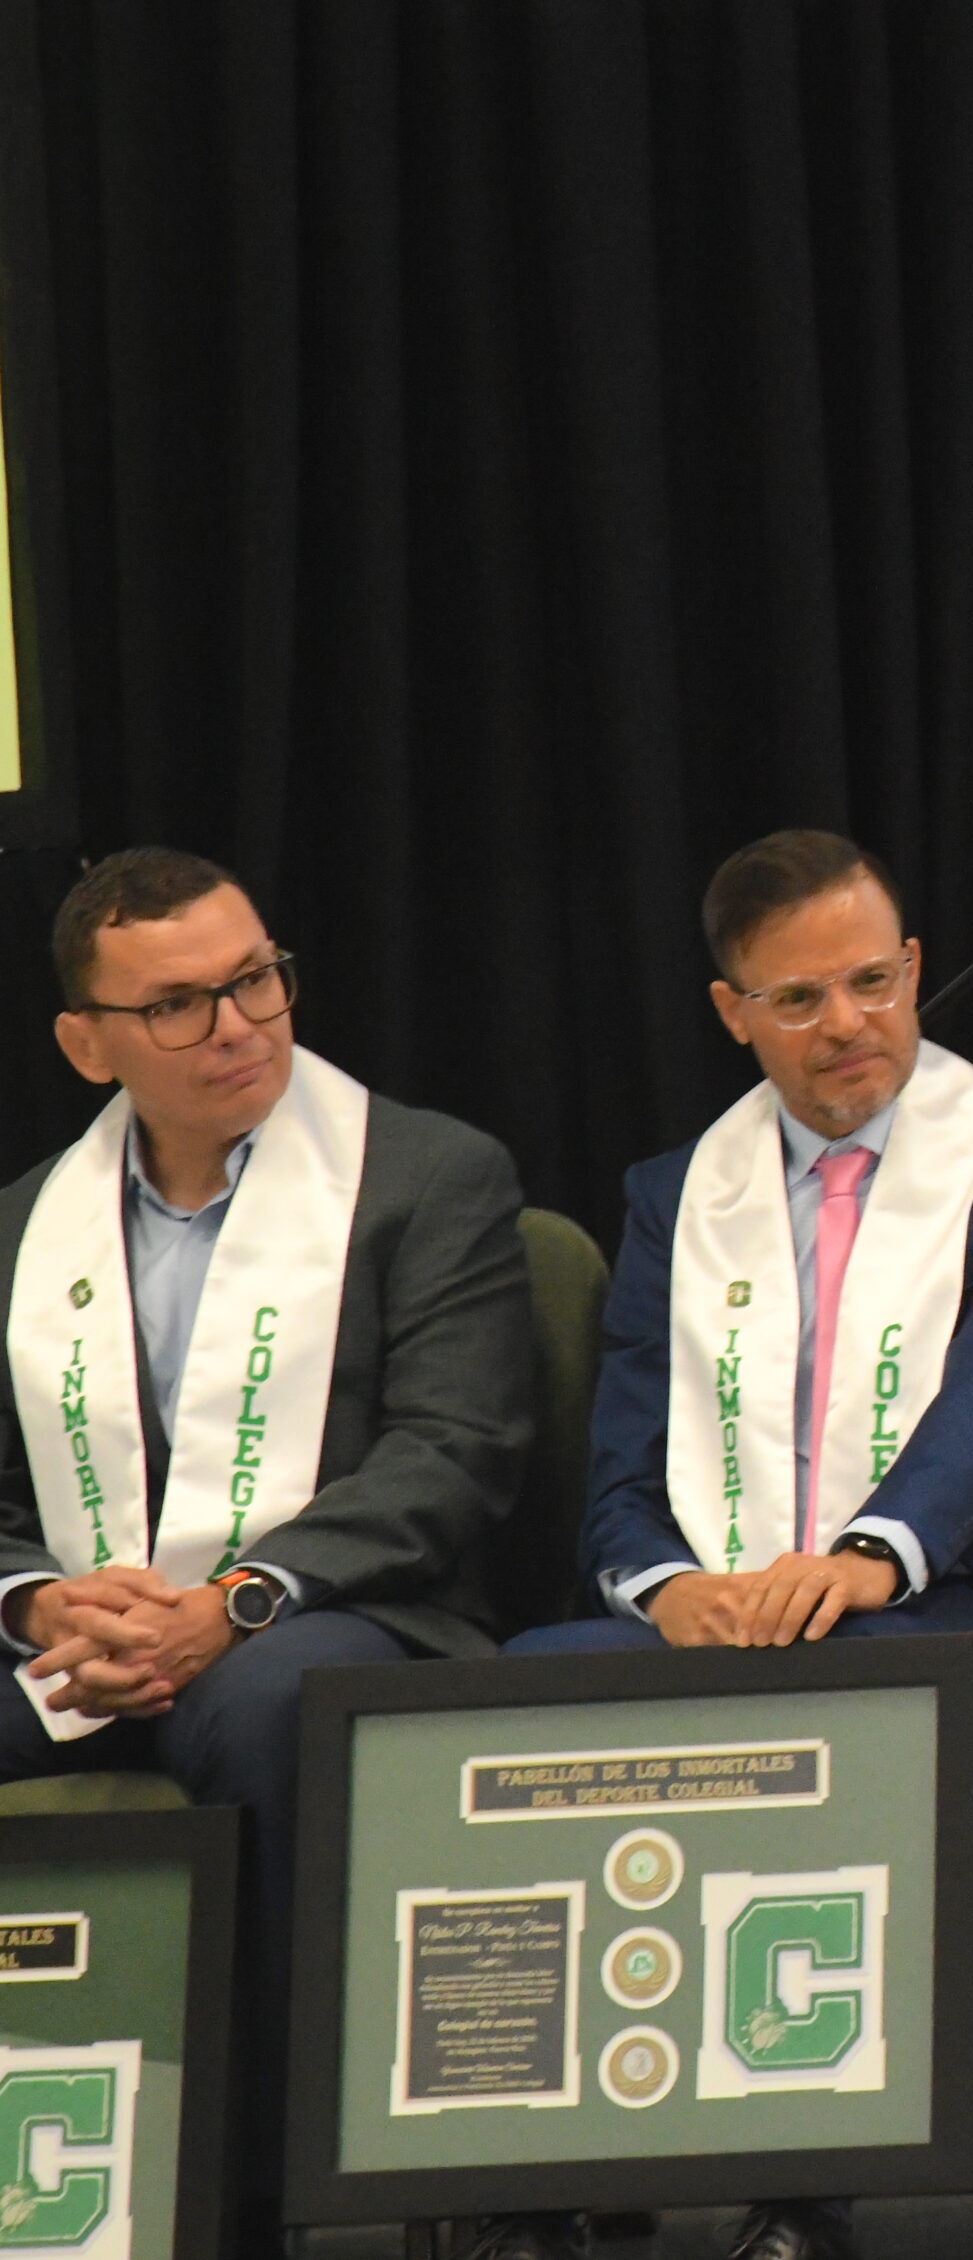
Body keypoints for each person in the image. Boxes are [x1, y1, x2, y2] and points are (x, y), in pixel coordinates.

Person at [492, 829, 973, 2260]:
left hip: (930, 1601)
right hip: (719, 1606)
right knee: (516, 1690)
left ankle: (802, 2187)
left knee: (827, 1692)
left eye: (872, 981)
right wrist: (673, 1590)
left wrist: (869, 1556)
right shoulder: (676, 1194)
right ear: (733, 1012)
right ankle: (536, 2165)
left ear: (915, 968)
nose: (847, 1022)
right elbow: (624, 1465)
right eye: (799, 998)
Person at [0, 847, 535, 2251]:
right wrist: (44, 1603)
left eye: (256, 981)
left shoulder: (428, 1176)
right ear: (87, 1045)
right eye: (179, 1004)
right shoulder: (25, 1227)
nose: (238, 1025)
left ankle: (254, 2186)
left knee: (265, 1708)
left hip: (343, 1613)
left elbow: (453, 1454)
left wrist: (234, 1600)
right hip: (95, 1641)